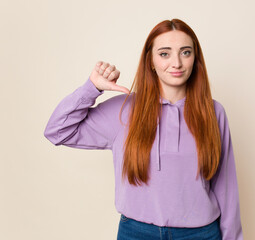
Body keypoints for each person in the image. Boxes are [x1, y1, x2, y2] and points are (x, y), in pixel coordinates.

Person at [44, 19, 243, 240]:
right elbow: (57, 130)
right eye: (164, 54)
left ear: (195, 59)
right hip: (137, 233)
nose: (176, 63)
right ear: (150, 60)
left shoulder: (214, 112)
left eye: (185, 52)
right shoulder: (124, 110)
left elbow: (227, 189)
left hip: (200, 234)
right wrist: (92, 88)